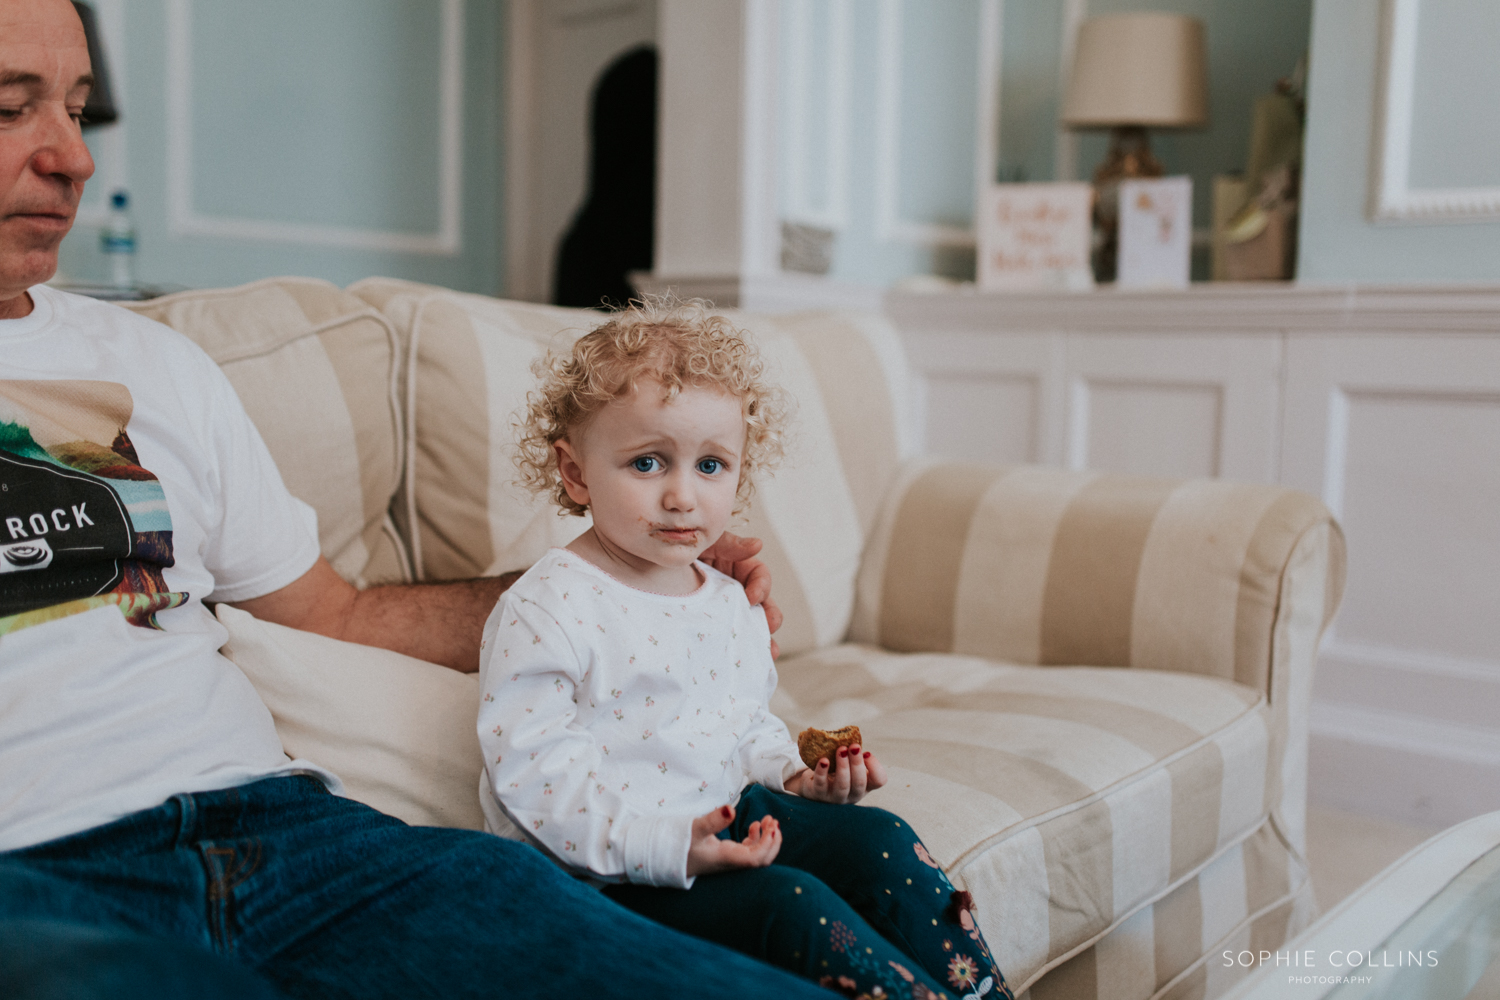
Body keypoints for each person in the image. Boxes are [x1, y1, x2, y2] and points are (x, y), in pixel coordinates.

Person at [0, 2, 839, 997]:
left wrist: (620, 585)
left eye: (78, 107)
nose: (74, 158)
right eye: (11, 107)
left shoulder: (151, 363)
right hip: (35, 883)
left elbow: (336, 613)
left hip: (301, 846)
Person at [479, 303, 1013, 1000]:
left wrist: (797, 779)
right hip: (608, 873)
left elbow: (742, 728)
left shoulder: (727, 600)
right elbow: (534, 779)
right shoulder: (548, 605)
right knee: (787, 903)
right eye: (647, 462)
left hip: (733, 819)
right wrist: (669, 845)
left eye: (710, 465)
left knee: (875, 838)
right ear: (575, 474)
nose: (682, 496)